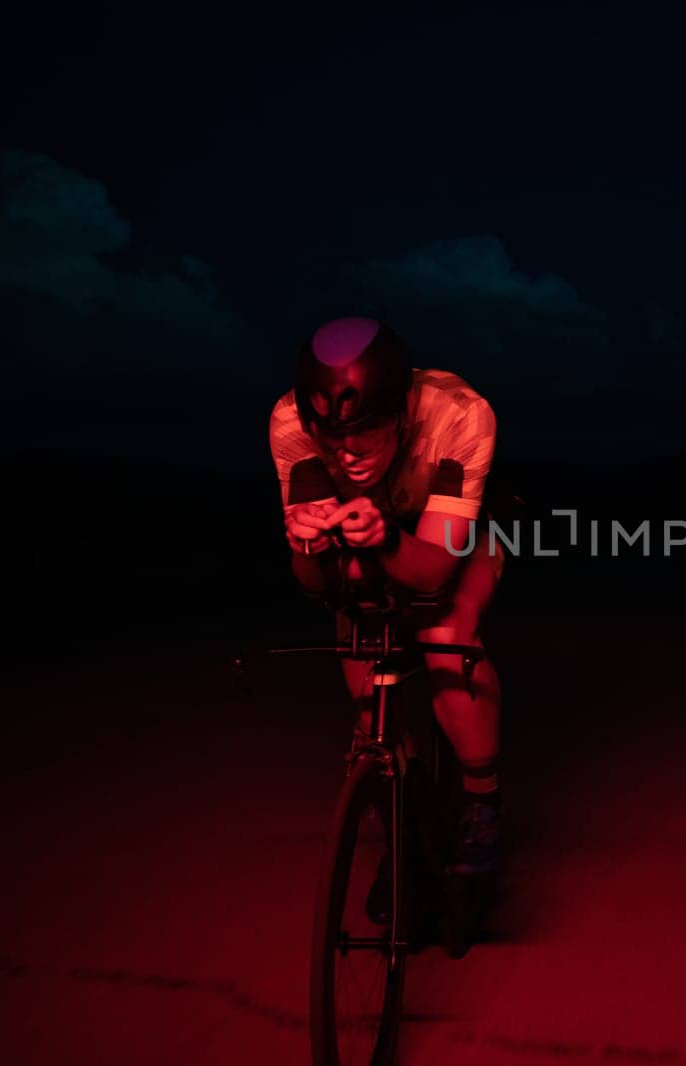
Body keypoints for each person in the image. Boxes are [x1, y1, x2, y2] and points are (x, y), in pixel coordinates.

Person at [269, 316, 505, 917]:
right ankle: (399, 806)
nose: (348, 454)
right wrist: (307, 548)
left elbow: (432, 574)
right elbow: (313, 587)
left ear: (399, 413)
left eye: (367, 433)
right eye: (332, 439)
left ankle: (482, 800)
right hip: (369, 533)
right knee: (357, 629)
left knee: (446, 631)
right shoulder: (290, 423)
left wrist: (387, 541)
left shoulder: (461, 414)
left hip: (455, 537)